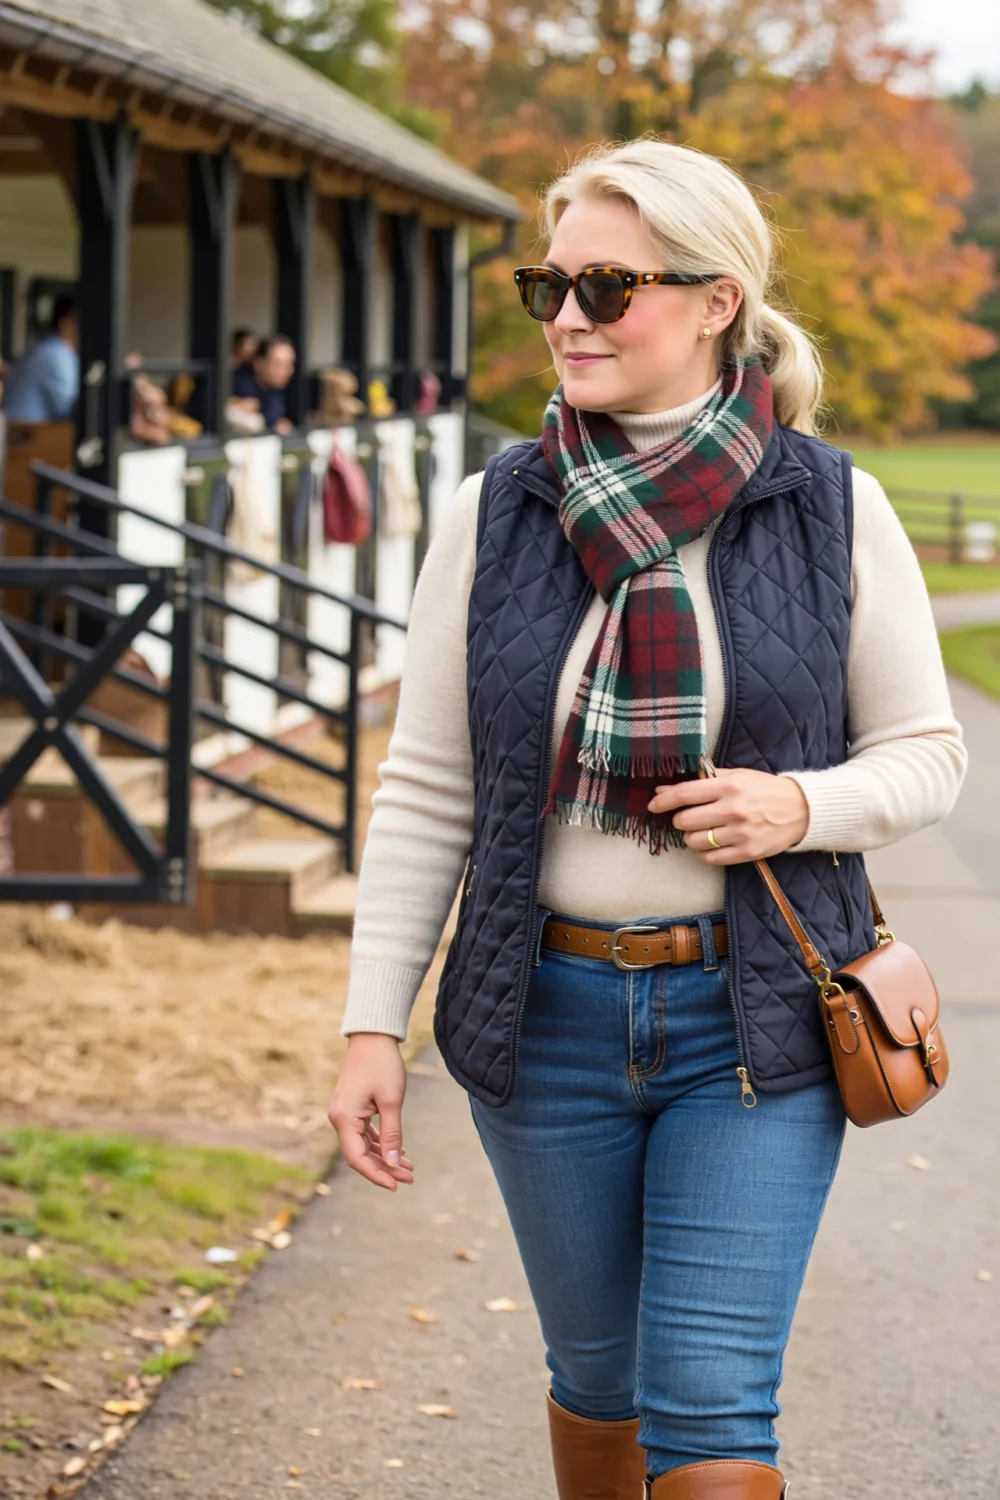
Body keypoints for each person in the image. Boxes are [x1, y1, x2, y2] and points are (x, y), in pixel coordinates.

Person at [327, 140, 967, 1500]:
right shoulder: (492, 512)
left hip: (759, 1025)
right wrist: (369, 1026)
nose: (569, 314)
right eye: (547, 283)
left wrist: (801, 803)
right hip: (540, 1019)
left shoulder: (830, 505)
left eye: (608, 287)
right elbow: (430, 787)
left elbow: (929, 756)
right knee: (599, 1383)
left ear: (718, 299)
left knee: (713, 1410)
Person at [4, 295, 79, 422]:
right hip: (26, 436)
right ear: (65, 323)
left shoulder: (52, 350)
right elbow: (69, 410)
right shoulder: (55, 354)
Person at [231, 334, 295, 435]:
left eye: (289, 364)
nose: (284, 371)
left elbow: (275, 421)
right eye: (277, 364)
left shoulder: (276, 389)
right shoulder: (237, 383)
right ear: (258, 363)